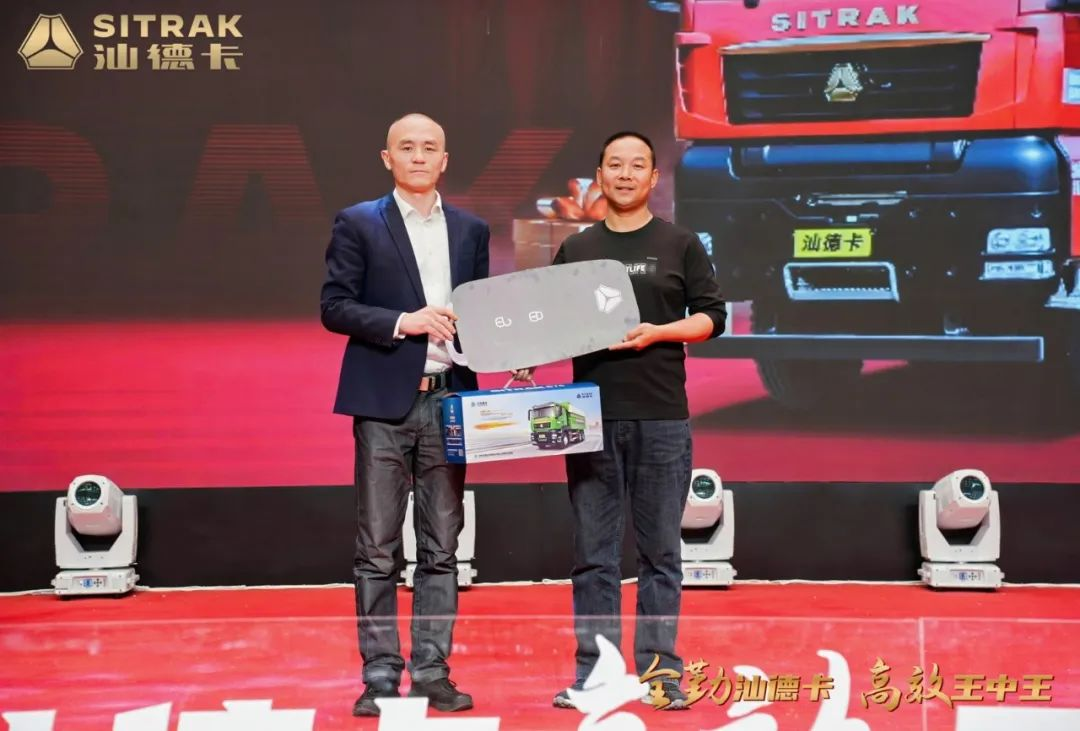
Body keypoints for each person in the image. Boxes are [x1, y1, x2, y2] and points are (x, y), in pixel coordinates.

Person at [550, 131, 727, 710]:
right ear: (599, 175)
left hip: (662, 418)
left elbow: (712, 317)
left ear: (653, 178)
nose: (625, 174)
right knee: (594, 557)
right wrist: (521, 351)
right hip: (589, 418)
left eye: (637, 166)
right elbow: (544, 320)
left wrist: (659, 332)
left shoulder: (680, 243)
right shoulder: (576, 248)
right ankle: (596, 675)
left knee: (661, 556)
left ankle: (660, 674)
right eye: (614, 165)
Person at [320, 113, 487, 717]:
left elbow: (482, 313)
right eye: (407, 147)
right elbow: (335, 306)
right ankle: (381, 675)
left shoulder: (470, 230)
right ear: (387, 158)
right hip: (384, 404)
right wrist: (403, 322)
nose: (419, 156)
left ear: (445, 159)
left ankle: (433, 672)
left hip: (450, 401)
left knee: (442, 546)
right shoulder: (359, 222)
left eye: (430, 147)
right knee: (377, 548)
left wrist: (510, 353)